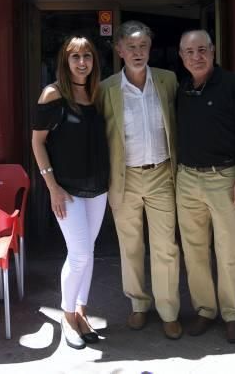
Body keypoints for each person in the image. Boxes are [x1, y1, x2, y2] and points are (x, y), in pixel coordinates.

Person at [99, 21, 182, 340]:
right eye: (130, 47)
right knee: (130, 246)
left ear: (150, 48)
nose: (137, 52)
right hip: (125, 178)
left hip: (162, 173)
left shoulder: (168, 80)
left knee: (166, 247)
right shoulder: (106, 89)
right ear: (119, 50)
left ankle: (169, 311)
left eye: (143, 46)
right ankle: (138, 304)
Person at [175, 29, 235, 344]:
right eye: (190, 52)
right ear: (181, 57)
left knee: (229, 250)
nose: (197, 57)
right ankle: (205, 309)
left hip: (225, 177)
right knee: (194, 250)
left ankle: (232, 313)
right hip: (187, 179)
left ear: (213, 50)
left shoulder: (233, 85)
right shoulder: (182, 88)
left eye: (202, 50)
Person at [31, 35, 110, 349]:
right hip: (67, 190)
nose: (82, 63)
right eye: (75, 57)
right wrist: (51, 187)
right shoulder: (53, 94)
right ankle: (66, 316)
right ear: (65, 62)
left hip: (98, 187)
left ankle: (81, 311)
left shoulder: (98, 93)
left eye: (87, 56)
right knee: (78, 255)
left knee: (88, 253)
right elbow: (37, 142)